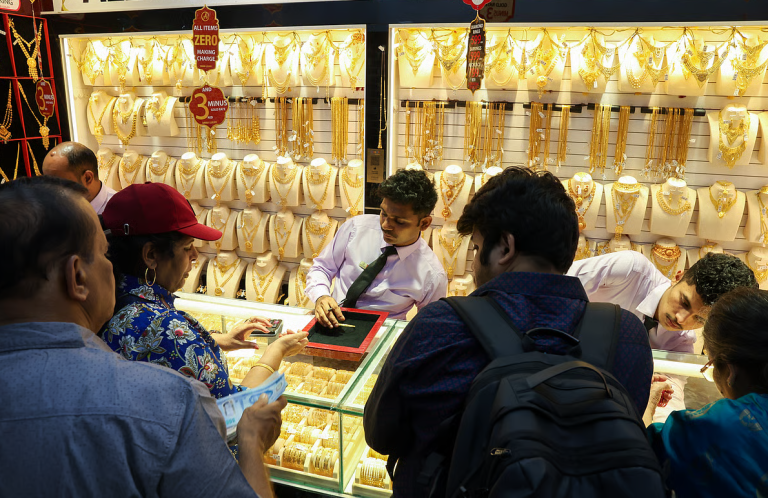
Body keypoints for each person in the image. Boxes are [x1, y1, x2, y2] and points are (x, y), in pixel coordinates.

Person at [364, 167, 654, 498]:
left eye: (476, 248)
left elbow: (380, 434)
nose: (474, 263)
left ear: (504, 247)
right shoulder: (626, 335)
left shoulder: (441, 326)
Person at [0, 176, 283, 497]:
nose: (112, 268)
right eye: (104, 254)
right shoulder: (167, 400)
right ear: (77, 276)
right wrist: (251, 441)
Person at [99, 182, 308, 400]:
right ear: (151, 255)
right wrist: (276, 352)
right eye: (187, 247)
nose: (195, 255)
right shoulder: (163, 326)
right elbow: (234, 407)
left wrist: (214, 339)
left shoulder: (107, 298)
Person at [643, 287, 768, 498]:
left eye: (711, 365)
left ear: (730, 371)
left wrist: (647, 402)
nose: (681, 318)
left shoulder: (725, 423)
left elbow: (640, 451)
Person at [306, 169, 447, 325]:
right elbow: (322, 267)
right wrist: (321, 296)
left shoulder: (432, 275)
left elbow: (430, 326)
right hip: (331, 323)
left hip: (381, 334)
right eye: (383, 213)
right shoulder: (356, 228)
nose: (385, 225)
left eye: (399, 222)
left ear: (424, 223)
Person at [567, 250, 757, 353]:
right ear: (678, 277)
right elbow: (556, 286)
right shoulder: (629, 269)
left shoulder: (682, 341)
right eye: (684, 302)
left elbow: (672, 393)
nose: (681, 319)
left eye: (699, 319)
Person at [41, 141, 115, 214]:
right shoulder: (48, 210)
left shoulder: (118, 211)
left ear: (87, 178)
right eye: (47, 182)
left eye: (59, 184)